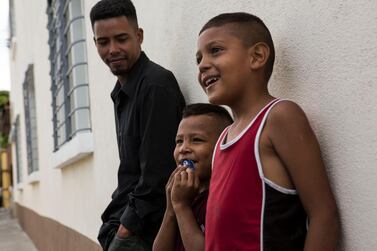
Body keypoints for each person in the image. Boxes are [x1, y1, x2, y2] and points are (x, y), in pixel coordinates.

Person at [196, 12, 340, 251]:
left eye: (216, 50)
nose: (202, 64)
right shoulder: (222, 138)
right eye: (198, 58)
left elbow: (324, 217)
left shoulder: (279, 117)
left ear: (257, 56)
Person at [90, 1, 185, 250]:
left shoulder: (155, 85)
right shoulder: (121, 91)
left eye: (121, 39)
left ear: (139, 36)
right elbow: (130, 171)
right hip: (125, 221)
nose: (112, 49)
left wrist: (126, 228)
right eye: (103, 42)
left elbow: (157, 174)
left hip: (148, 232)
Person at [153, 103, 233, 251]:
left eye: (197, 140)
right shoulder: (185, 195)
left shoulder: (224, 198)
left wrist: (182, 207)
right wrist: (171, 209)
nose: (183, 149)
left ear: (222, 146)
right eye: (179, 141)